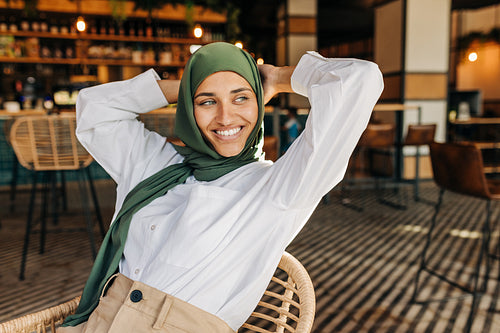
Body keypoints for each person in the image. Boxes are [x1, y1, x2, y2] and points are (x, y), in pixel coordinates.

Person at [59, 42, 383, 332]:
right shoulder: (153, 163)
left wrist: (279, 78)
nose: (226, 117)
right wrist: (186, 87)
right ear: (189, 108)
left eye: (241, 97)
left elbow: (358, 80)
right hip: (98, 322)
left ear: (259, 103)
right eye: (207, 101)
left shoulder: (277, 189)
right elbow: (95, 108)